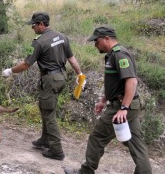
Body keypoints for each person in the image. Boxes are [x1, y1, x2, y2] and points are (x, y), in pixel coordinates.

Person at [65, 26, 152, 174]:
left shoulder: (119, 55)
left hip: (122, 106)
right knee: (136, 144)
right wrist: (103, 100)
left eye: (97, 41)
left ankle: (85, 172)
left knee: (97, 137)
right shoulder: (112, 55)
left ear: (106, 38)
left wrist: (123, 109)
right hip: (127, 104)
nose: (95, 45)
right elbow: (116, 83)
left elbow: (131, 82)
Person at [2, 12, 85, 161]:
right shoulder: (61, 36)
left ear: (41, 24)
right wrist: (79, 74)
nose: (32, 28)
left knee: (49, 114)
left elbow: (26, 64)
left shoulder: (39, 42)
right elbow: (71, 58)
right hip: (61, 77)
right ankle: (45, 140)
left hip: (50, 79)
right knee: (44, 107)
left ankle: (57, 151)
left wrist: (10, 71)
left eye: (33, 25)